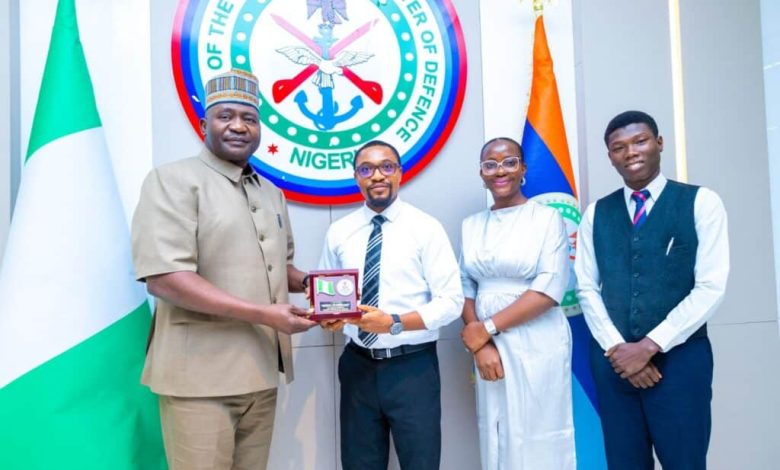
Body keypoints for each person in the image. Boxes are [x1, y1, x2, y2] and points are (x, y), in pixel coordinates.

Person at [131, 69, 316, 470]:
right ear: (204, 125)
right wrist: (264, 314)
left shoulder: (271, 192)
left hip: (261, 371)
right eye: (225, 116)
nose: (238, 126)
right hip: (198, 378)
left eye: (249, 118)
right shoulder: (172, 180)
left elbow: (276, 266)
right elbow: (165, 279)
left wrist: (316, 285)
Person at [574, 110, 729, 470]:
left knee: (685, 462)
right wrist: (618, 350)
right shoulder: (596, 213)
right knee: (624, 463)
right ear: (610, 156)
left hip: (680, 361)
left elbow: (710, 287)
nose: (630, 152)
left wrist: (648, 347)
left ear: (659, 143)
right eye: (619, 147)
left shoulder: (701, 202)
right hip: (613, 364)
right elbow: (585, 287)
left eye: (640, 141)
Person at [318, 140, 464, 470]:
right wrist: (330, 317)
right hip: (357, 367)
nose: (377, 176)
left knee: (421, 463)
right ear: (356, 177)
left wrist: (394, 322)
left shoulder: (426, 229)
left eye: (386, 167)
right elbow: (329, 295)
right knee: (359, 464)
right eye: (366, 169)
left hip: (412, 368)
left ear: (399, 173)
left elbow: (451, 302)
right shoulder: (339, 232)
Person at [459, 137, 576, 470]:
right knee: (496, 429)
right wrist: (481, 345)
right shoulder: (470, 225)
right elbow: (464, 287)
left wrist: (487, 329)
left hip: (538, 338)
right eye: (490, 164)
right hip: (487, 346)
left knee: (538, 430)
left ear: (523, 168)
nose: (500, 171)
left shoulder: (547, 219)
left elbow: (549, 289)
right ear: (481, 173)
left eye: (509, 162)